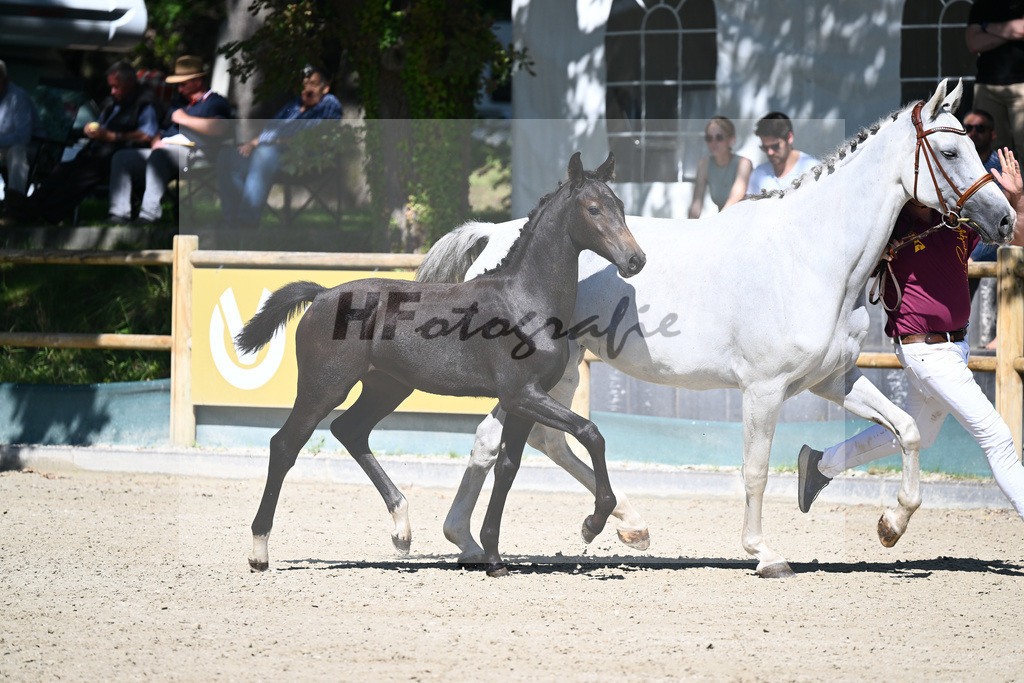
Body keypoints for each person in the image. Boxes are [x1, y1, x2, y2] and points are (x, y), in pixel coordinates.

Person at [797, 148, 1024, 523]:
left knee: (919, 435)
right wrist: (877, 259)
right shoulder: (887, 230)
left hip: (955, 348)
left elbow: (1018, 236)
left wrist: (1015, 199)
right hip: (926, 353)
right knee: (996, 437)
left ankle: (821, 465)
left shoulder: (953, 222)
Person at [19, 61, 159, 225]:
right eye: (111, 87)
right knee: (62, 169)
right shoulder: (112, 102)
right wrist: (91, 130)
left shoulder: (145, 103)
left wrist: (114, 136)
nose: (113, 91)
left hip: (119, 153)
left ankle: (47, 214)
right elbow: (101, 125)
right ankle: (29, 208)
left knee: (82, 175)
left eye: (117, 86)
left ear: (130, 82)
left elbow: (147, 135)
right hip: (96, 149)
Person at [106, 56, 230, 226]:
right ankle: (118, 214)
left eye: (183, 84)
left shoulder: (216, 101)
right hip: (165, 150)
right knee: (122, 158)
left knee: (160, 156)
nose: (179, 89)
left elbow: (220, 129)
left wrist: (184, 119)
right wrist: (155, 141)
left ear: (198, 81)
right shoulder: (179, 102)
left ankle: (149, 215)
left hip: (197, 153)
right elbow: (161, 129)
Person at [216, 65, 342, 229]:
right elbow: (272, 128)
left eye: (313, 84)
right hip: (273, 155)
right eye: (304, 84)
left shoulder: (329, 103)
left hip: (306, 159)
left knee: (264, 154)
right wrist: (253, 143)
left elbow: (314, 135)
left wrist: (276, 143)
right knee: (227, 155)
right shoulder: (294, 104)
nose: (307, 89)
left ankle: (246, 222)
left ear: (325, 88)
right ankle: (230, 220)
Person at [966, 1, 1024, 162]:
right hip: (987, 86)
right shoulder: (981, 5)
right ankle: (1003, 187)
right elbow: (973, 43)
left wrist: (987, 27)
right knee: (993, 150)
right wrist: (1011, 32)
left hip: (1021, 85)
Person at [0, 59, 44, 211]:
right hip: (4, 148)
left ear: (5, 80)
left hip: (32, 148)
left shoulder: (18, 97)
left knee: (16, 151)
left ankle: (14, 206)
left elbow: (23, 137)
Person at [688, 116, 752, 218]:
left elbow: (735, 199)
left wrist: (715, 224)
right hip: (721, 223)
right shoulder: (704, 164)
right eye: (709, 138)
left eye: (719, 137)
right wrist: (689, 227)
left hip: (745, 222)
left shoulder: (744, 164)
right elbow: (696, 203)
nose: (714, 143)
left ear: (731, 140)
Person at [746, 112, 819, 195]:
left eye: (775, 146)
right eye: (765, 148)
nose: (770, 152)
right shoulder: (759, 173)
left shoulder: (811, 168)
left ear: (789, 137)